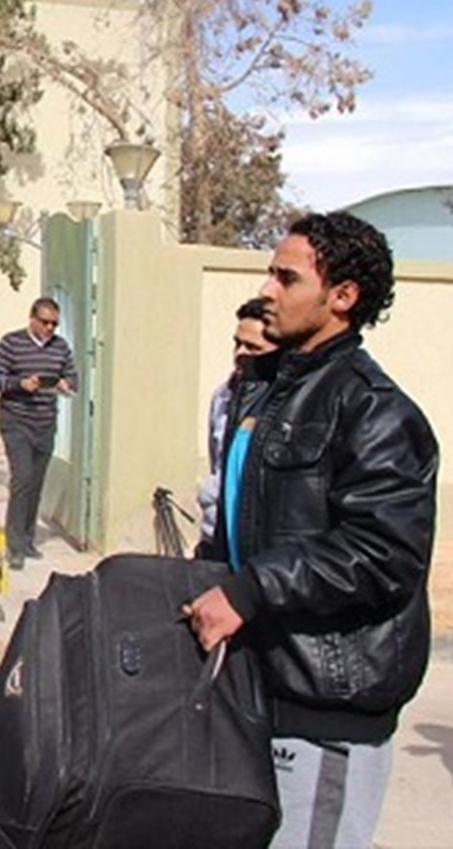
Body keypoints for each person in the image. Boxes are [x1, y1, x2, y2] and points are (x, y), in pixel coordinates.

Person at [183, 212, 438, 849]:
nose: (266, 289)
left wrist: (249, 592)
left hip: (326, 705)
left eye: (286, 277)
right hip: (256, 685)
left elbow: (383, 553)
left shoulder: (374, 409)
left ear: (342, 297)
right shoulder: (265, 395)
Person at [0, 298, 77, 569]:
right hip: (17, 422)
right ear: (32, 319)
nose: (49, 328)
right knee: (22, 479)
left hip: (45, 423)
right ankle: (14, 546)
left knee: (36, 483)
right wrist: (20, 384)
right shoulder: (12, 343)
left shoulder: (60, 347)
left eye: (54, 324)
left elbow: (74, 378)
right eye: (45, 322)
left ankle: (27, 539)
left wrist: (65, 384)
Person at [197, 297, 277, 544]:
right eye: (237, 344)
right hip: (214, 538)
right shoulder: (222, 396)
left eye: (253, 348)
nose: (240, 353)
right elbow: (218, 464)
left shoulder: (283, 405)